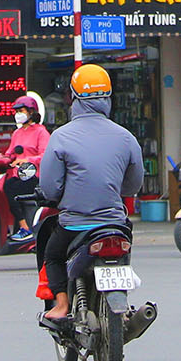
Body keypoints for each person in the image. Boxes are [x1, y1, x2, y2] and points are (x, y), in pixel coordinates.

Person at [37, 63, 144, 324]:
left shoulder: (61, 137)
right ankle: (123, 301)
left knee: (52, 254)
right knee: (123, 253)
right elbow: (132, 187)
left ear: (74, 98)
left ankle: (61, 304)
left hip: (74, 225)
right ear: (107, 98)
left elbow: (51, 188)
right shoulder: (126, 137)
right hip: (115, 225)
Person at [5, 92, 51, 238]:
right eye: (16, 112)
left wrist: (27, 160)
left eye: (21, 111)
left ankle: (25, 228)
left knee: (11, 189)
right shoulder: (17, 133)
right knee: (4, 187)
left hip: (33, 176)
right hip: (18, 175)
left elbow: (45, 155)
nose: (18, 114)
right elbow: (10, 153)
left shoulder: (41, 132)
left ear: (31, 112)